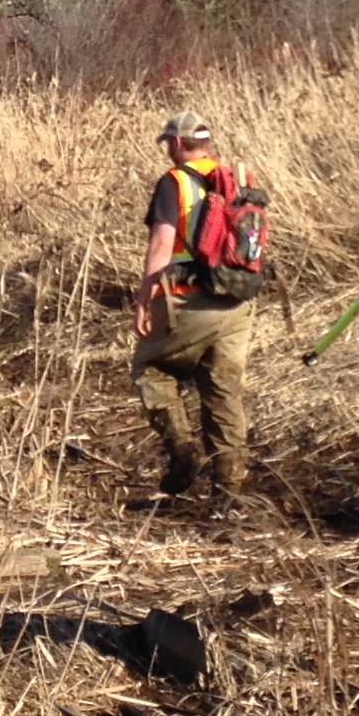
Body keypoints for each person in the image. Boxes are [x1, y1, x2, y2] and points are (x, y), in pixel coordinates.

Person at [130, 111, 253, 504]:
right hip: (237, 302)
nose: (168, 148)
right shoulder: (238, 179)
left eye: (169, 142)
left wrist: (145, 297)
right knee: (222, 392)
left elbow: (161, 245)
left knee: (150, 368)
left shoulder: (175, 182)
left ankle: (184, 453)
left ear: (179, 143)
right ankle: (229, 496)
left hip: (189, 298)